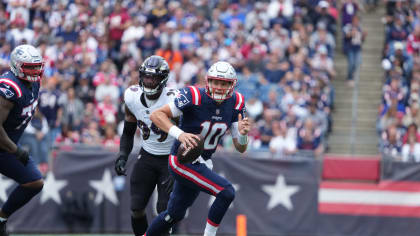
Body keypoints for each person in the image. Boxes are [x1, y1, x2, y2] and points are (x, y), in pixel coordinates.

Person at [146, 61, 251, 236]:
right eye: (216, 82)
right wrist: (180, 134)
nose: (219, 87)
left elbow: (241, 148)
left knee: (173, 215)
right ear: (208, 81)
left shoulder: (236, 102)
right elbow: (157, 115)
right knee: (226, 192)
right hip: (183, 159)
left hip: (202, 161)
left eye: (224, 83)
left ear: (231, 85)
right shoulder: (193, 95)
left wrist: (242, 134)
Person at [114, 56, 177, 236]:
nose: (149, 81)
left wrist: (179, 165)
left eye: (154, 78)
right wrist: (123, 154)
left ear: (163, 79)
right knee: (136, 207)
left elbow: (186, 134)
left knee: (164, 212)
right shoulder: (132, 96)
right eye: (147, 77)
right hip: (147, 155)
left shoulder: (174, 100)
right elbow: (128, 131)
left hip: (170, 159)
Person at [0, 44, 45, 236]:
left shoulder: (34, 83)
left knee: (34, 181)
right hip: (5, 145)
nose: (35, 71)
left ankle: (1, 218)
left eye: (37, 66)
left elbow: (28, 106)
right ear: (17, 66)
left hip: (5, 146)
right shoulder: (9, 89)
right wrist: (16, 150)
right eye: (30, 67)